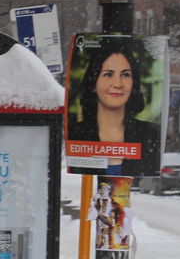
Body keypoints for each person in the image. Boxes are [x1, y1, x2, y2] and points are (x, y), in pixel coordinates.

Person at [69, 37, 161, 177]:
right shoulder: (75, 134)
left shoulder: (152, 135)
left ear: (133, 83)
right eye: (108, 74)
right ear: (93, 83)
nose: (117, 84)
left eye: (125, 75)